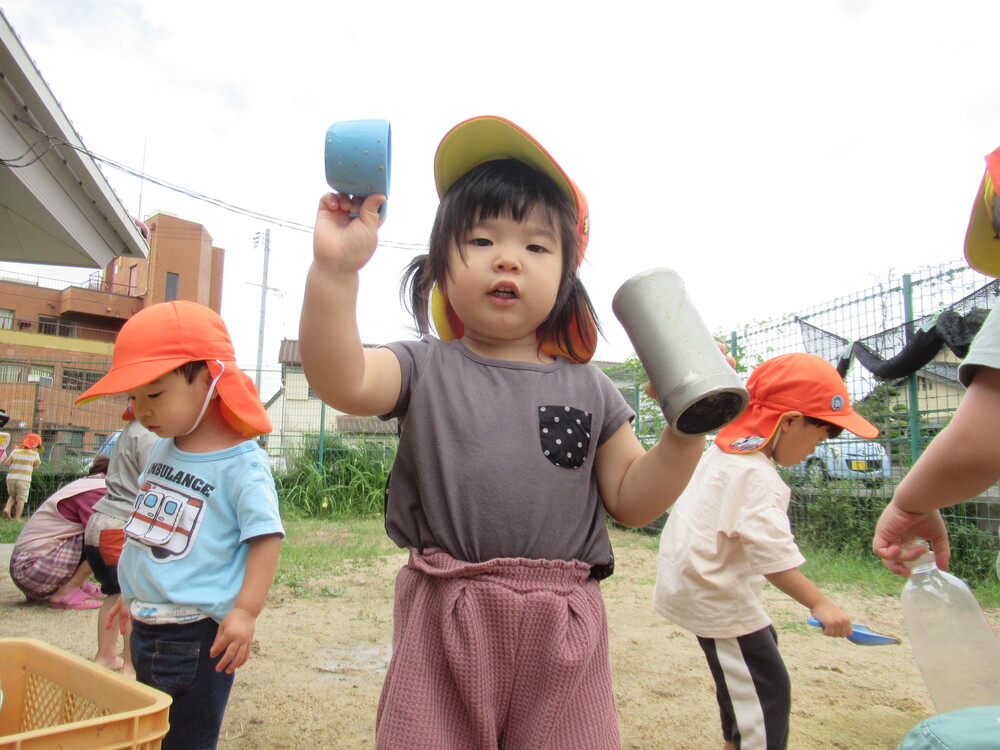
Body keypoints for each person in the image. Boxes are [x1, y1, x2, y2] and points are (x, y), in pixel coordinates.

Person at [301, 115, 707, 749]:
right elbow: (342, 379)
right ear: (440, 266)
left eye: (537, 247)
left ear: (567, 276)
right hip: (446, 613)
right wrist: (334, 271)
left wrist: (685, 436)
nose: (509, 257)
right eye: (482, 238)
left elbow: (632, 497)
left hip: (563, 625)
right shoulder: (423, 367)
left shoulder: (590, 387)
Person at [73, 300, 285, 750]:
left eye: (154, 394)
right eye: (133, 398)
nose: (140, 411)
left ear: (210, 379)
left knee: (186, 740)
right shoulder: (163, 449)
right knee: (149, 736)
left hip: (197, 635)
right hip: (146, 626)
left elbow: (266, 537)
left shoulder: (242, 464)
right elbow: (146, 529)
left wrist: (245, 612)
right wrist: (130, 594)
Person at [652, 353, 879, 750]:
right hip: (715, 594)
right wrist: (821, 604)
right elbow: (774, 560)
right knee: (766, 694)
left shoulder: (726, 454)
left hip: (703, 582)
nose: (815, 450)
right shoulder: (756, 476)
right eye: (820, 436)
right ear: (789, 421)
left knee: (749, 680)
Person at [83, 406, 158, 674]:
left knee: (114, 593)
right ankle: (130, 665)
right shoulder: (151, 434)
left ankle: (105, 656)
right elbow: (154, 482)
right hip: (121, 524)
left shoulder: (130, 429)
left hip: (99, 521)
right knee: (131, 596)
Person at [9, 454, 109, 610]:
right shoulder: (97, 491)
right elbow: (102, 537)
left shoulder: (90, 483)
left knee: (99, 530)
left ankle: (78, 584)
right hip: (32, 570)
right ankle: (68, 590)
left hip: (28, 568)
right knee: (108, 534)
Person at [3, 433, 42, 519]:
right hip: (24, 480)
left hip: (11, 479)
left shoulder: (16, 451)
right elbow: (36, 467)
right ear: (35, 445)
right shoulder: (35, 454)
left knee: (13, 495)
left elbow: (7, 463)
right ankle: (17, 518)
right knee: (21, 499)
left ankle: (7, 508)